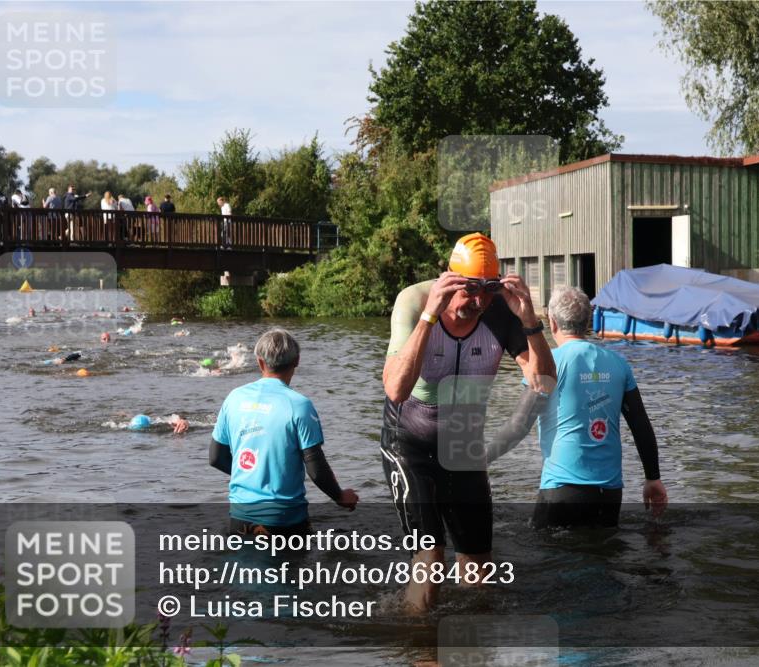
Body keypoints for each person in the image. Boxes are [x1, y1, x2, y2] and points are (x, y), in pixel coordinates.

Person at [381, 232, 556, 612]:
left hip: (463, 446)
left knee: (479, 571)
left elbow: (543, 382)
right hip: (409, 442)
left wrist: (529, 320)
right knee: (430, 559)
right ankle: (421, 649)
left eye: (486, 291)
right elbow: (395, 388)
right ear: (449, 278)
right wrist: (430, 316)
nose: (476, 302)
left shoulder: (498, 312)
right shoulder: (413, 302)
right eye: (467, 290)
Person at [493, 286, 668, 529]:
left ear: (552, 323)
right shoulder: (619, 364)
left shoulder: (548, 364)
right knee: (601, 558)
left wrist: (479, 461)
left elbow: (519, 426)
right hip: (610, 493)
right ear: (588, 321)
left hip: (562, 490)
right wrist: (653, 478)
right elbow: (640, 426)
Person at [210, 328, 358, 538]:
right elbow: (316, 468)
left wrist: (253, 474)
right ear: (297, 361)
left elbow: (216, 458)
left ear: (260, 362)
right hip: (285, 520)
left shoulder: (234, 398)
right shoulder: (300, 405)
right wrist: (340, 496)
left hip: (240, 518)